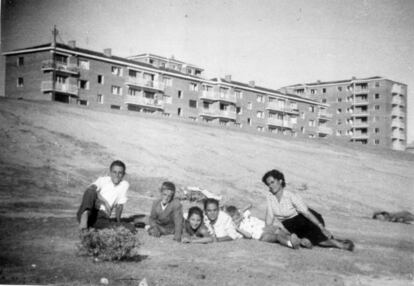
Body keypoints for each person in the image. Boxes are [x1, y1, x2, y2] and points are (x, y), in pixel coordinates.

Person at [262, 169, 354, 251]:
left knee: (319, 241)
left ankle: (339, 244)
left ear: (280, 181)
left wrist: (322, 227)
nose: (270, 186)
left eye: (272, 182)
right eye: (268, 184)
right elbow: (269, 217)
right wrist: (266, 229)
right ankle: (332, 241)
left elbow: (306, 213)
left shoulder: (290, 195)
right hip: (292, 227)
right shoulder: (270, 197)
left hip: (305, 221)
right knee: (310, 241)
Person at [77, 160, 132, 231]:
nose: (117, 175)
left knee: (127, 228)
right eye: (114, 172)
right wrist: (105, 202)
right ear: (110, 172)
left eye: (120, 173)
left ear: (123, 174)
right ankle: (85, 217)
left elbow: (119, 206)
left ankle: (91, 227)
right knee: (90, 191)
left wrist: (118, 222)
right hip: (90, 210)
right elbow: (91, 189)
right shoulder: (102, 180)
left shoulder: (124, 185)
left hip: (102, 216)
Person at [224, 205, 301, 249]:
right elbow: (249, 235)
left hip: (265, 227)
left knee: (278, 229)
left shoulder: (244, 216)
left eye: (237, 217)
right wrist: (238, 229)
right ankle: (290, 244)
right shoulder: (239, 229)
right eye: (234, 220)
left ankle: (297, 240)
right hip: (261, 235)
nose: (237, 220)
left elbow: (249, 205)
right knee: (277, 236)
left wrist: (241, 212)